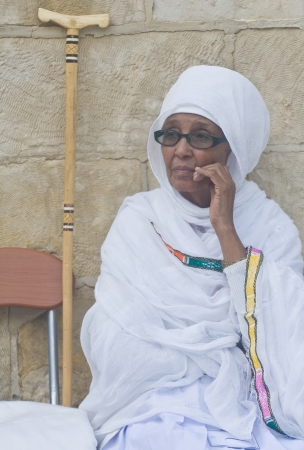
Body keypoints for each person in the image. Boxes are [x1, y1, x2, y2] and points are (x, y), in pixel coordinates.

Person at [79, 66, 304, 450]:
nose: (181, 150)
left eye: (199, 135)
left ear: (232, 145)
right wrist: (209, 354)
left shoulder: (269, 224)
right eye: (171, 134)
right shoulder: (140, 219)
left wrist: (225, 229)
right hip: (153, 403)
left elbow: (280, 334)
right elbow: (114, 331)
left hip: (245, 400)